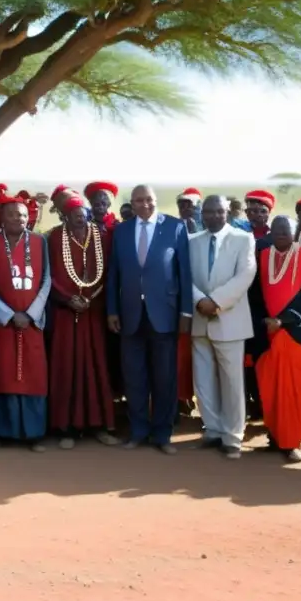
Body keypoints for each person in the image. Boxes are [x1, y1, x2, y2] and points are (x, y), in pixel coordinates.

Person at [107, 184, 192, 455]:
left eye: (150, 200)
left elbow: (185, 274)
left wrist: (186, 313)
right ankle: (138, 431)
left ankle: (162, 434)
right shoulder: (121, 231)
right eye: (139, 201)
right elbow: (114, 275)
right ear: (131, 204)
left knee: (164, 377)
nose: (145, 205)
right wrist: (112, 310)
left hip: (164, 314)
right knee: (135, 377)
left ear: (157, 201)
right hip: (130, 315)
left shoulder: (175, 227)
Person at [189, 195, 257, 460]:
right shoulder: (192, 241)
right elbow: (185, 274)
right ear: (201, 214)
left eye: (219, 211)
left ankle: (233, 436)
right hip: (199, 318)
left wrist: (216, 301)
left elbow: (245, 276)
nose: (214, 216)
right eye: (209, 212)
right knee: (203, 380)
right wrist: (200, 300)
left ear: (228, 212)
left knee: (232, 382)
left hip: (229, 319)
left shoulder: (243, 239)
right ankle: (213, 429)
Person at [251, 216, 301, 463]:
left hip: (297, 334)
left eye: (287, 229)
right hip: (267, 336)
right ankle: (276, 438)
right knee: (270, 389)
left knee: (298, 389)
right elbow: (254, 295)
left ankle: (294, 442)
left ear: (296, 232)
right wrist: (265, 321)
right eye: (277, 228)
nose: (281, 232)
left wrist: (284, 320)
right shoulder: (260, 257)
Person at [47, 195, 117, 448]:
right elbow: (49, 275)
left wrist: (91, 297)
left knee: (96, 364)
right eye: (74, 212)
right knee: (66, 366)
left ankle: (99, 424)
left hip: (94, 312)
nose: (80, 215)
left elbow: (110, 272)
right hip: (65, 313)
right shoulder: (54, 237)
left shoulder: (102, 236)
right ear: (65, 215)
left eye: (83, 211)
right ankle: (66, 427)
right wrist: (67, 299)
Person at [0, 199, 51, 451]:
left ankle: (33, 434)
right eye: (12, 215)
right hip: (2, 322)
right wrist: (7, 314)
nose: (18, 219)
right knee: (0, 372)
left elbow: (46, 280)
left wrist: (32, 313)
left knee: (33, 374)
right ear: (2, 218)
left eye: (22, 215)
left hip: (32, 323)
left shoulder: (39, 241)